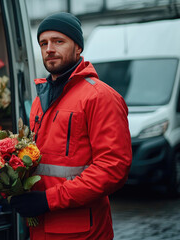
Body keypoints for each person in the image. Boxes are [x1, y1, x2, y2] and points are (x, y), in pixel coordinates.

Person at [10, 12, 132, 240]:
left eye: (59, 41)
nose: (49, 49)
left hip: (82, 232)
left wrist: (48, 200)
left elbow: (112, 169)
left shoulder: (100, 96)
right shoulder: (39, 100)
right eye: (43, 43)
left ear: (78, 48)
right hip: (40, 228)